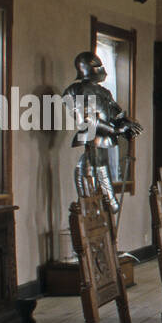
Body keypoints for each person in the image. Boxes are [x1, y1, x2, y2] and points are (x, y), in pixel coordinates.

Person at [64, 51, 142, 215]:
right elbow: (88, 120)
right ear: (87, 68)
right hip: (92, 137)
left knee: (94, 165)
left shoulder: (104, 92)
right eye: (97, 66)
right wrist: (115, 130)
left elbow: (116, 113)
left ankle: (105, 204)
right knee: (93, 168)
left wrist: (127, 124)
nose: (101, 69)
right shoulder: (81, 90)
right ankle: (103, 203)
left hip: (103, 139)